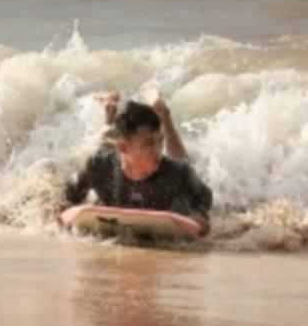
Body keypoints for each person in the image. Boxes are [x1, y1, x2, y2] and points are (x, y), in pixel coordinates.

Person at [61, 97, 213, 235]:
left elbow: (204, 197)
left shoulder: (179, 172)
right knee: (104, 142)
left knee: (180, 159)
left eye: (160, 141)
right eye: (149, 144)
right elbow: (72, 190)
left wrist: (199, 215)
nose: (158, 150)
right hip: (115, 156)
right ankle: (110, 113)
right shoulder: (97, 165)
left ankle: (164, 115)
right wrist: (66, 204)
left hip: (172, 190)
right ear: (123, 147)